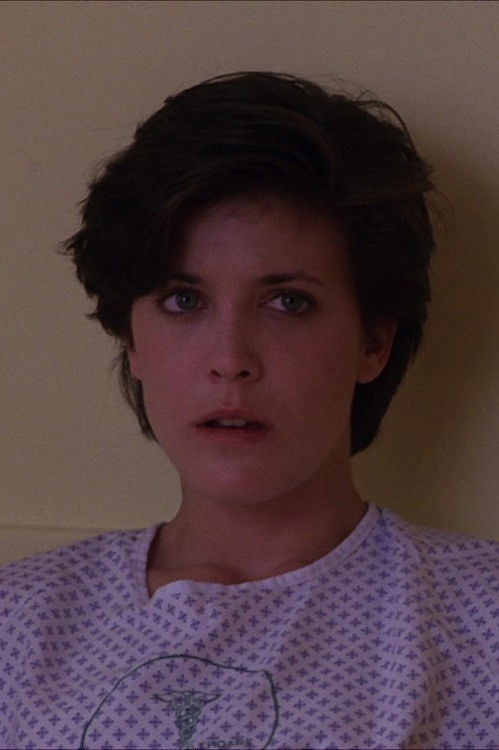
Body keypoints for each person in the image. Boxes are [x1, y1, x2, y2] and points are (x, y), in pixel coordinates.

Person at [0, 71, 497, 750]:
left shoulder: (477, 626)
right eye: (183, 301)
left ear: (372, 343)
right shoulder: (20, 625)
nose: (230, 359)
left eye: (288, 302)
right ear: (131, 338)